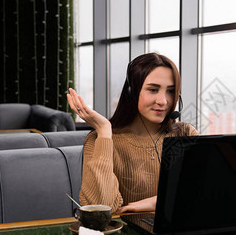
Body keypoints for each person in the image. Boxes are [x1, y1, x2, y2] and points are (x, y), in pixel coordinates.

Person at [67, 53, 199, 214]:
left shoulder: (185, 133)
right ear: (132, 92)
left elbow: (201, 192)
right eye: (153, 89)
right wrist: (103, 131)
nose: (163, 101)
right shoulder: (99, 140)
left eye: (170, 91)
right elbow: (101, 209)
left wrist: (145, 204)